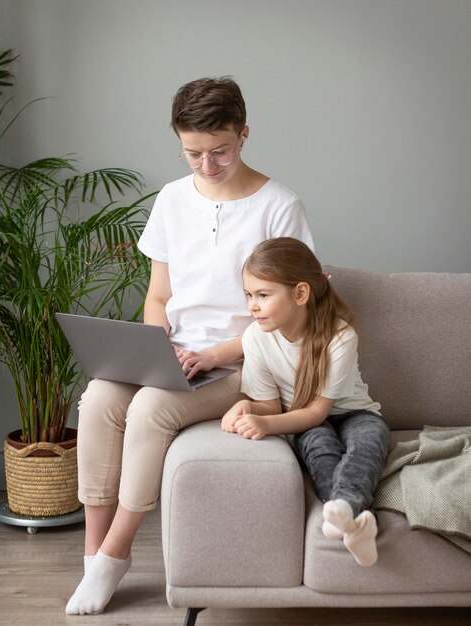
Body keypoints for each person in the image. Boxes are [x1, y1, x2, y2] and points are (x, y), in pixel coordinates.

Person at [66, 77, 314, 615]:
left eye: (218, 151)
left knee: (151, 408)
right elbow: (159, 296)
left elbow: (292, 311)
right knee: (100, 398)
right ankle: (93, 552)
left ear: (243, 135)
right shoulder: (172, 200)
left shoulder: (278, 205)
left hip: (244, 365)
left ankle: (116, 552)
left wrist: (216, 354)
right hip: (175, 354)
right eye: (192, 153)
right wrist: (155, 346)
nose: (205, 165)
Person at [221, 237, 390, 567]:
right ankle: (355, 522)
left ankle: (345, 507)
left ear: (300, 294)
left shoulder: (340, 336)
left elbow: (318, 410)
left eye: (263, 295)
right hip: (302, 418)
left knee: (369, 441)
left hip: (352, 413)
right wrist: (246, 407)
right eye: (249, 295)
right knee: (319, 446)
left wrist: (266, 424)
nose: (252, 306)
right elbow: (270, 406)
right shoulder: (255, 338)